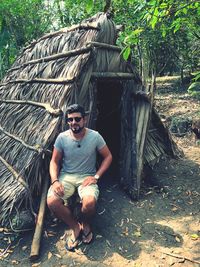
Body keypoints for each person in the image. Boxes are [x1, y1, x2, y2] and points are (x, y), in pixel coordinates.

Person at [47, 104, 112, 251]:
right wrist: (55, 180)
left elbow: (108, 157)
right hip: (66, 177)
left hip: (86, 177)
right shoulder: (62, 138)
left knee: (89, 203)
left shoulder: (95, 136)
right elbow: (54, 161)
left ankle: (85, 223)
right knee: (52, 201)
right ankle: (75, 227)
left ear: (84, 119)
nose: (73, 123)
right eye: (70, 120)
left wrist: (96, 176)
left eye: (77, 119)